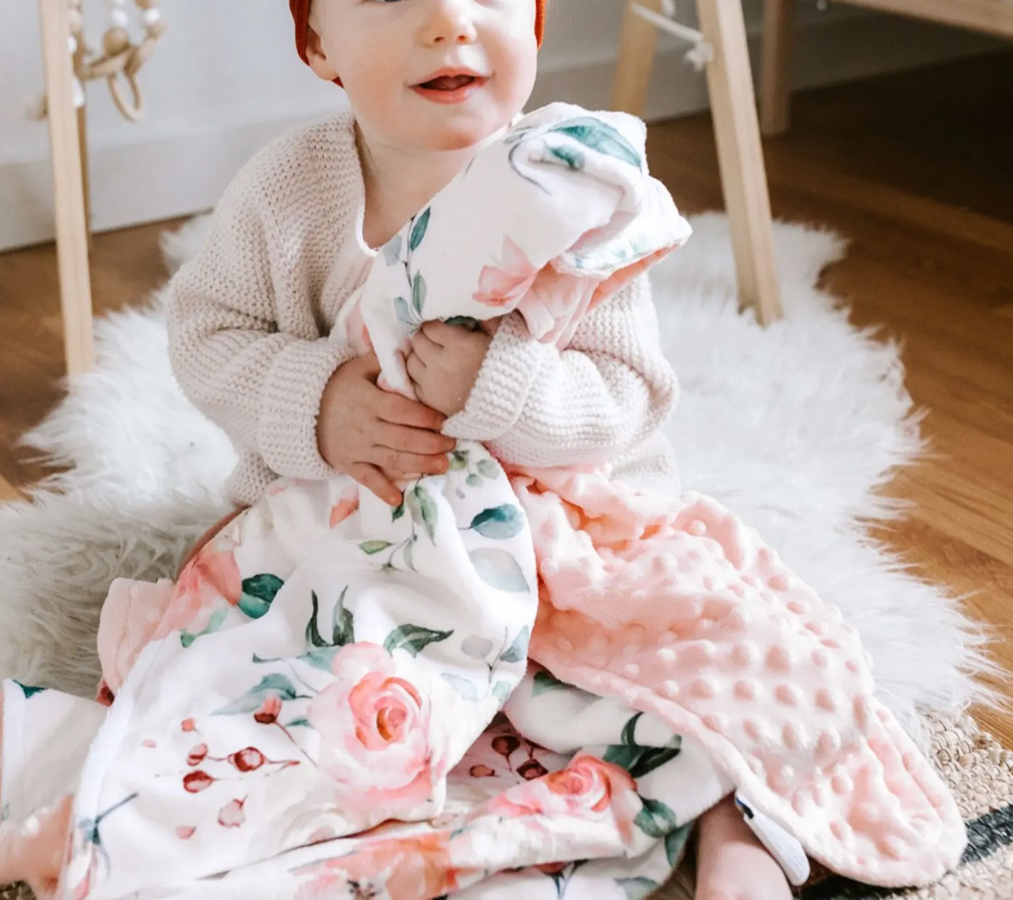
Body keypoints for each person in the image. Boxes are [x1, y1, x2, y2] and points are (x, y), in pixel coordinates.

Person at [166, 2, 791, 897]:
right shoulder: (286, 189)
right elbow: (205, 333)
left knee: (702, 644)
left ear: (536, 25)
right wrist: (317, 402)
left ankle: (736, 815)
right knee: (249, 657)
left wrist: (507, 387)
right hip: (362, 524)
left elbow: (630, 394)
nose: (448, 22)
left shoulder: (577, 188)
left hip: (557, 539)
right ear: (317, 45)